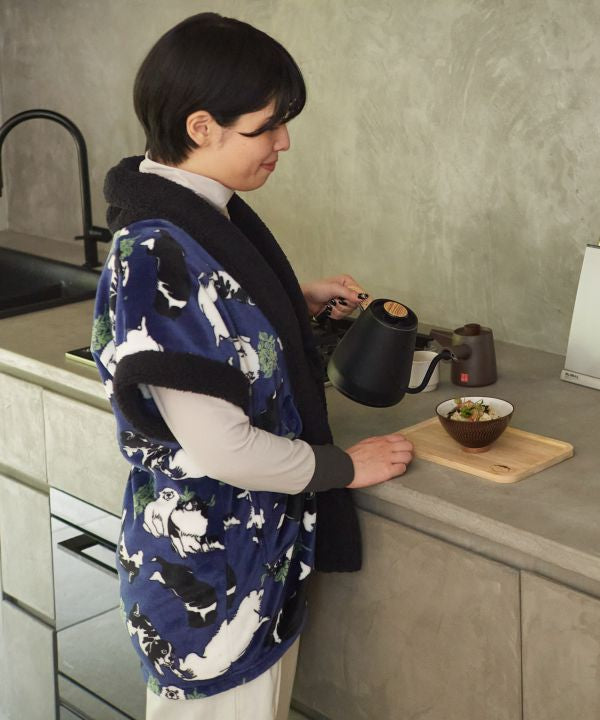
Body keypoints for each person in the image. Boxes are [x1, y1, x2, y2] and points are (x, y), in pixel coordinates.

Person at [91, 12, 413, 720]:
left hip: (245, 568)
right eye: (267, 126)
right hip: (210, 590)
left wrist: (290, 302)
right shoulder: (155, 253)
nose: (284, 141)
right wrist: (344, 467)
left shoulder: (195, 216)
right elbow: (224, 448)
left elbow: (212, 309)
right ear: (202, 127)